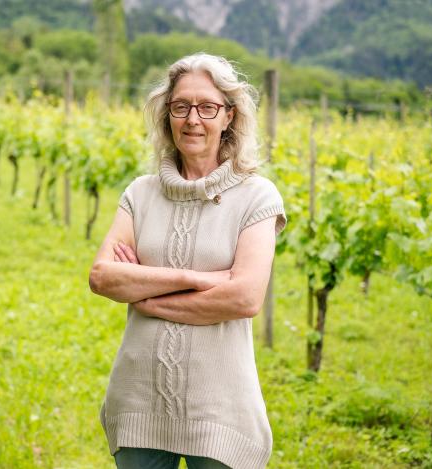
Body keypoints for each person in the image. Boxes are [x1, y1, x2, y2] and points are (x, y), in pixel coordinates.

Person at [88, 53, 287, 469]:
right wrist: (198, 278)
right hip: (138, 399)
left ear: (229, 116)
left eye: (207, 107)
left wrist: (145, 289)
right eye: (181, 106)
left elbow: (245, 298)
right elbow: (103, 277)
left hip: (219, 409)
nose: (193, 119)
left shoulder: (257, 197)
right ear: (168, 114)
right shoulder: (140, 193)